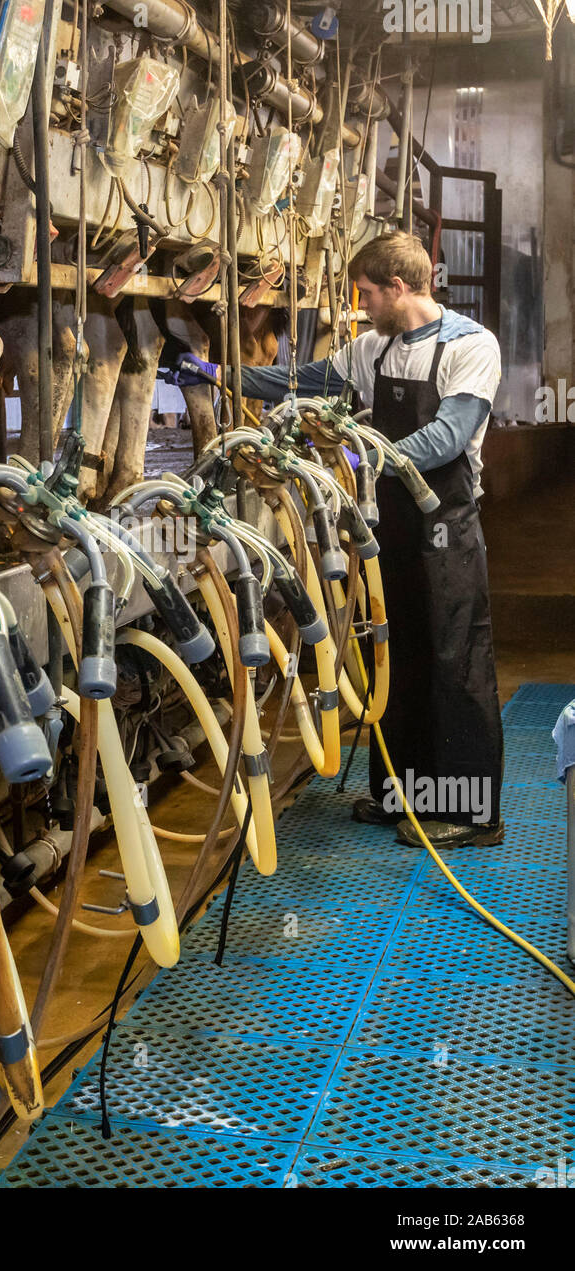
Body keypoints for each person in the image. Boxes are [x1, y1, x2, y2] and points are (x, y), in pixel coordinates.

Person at [174, 232, 504, 848]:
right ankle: (402, 794)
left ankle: (471, 811)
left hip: (443, 524)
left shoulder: (470, 345)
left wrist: (361, 456)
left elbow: (449, 436)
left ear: (400, 288)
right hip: (387, 524)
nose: (363, 303)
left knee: (453, 661)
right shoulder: (372, 348)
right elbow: (302, 382)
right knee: (391, 653)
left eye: (370, 292)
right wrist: (217, 373)